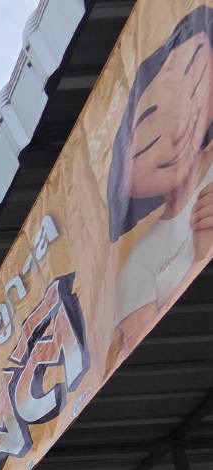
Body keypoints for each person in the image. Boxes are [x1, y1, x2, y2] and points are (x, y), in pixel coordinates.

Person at [107, 7, 213, 348]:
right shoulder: (138, 266)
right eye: (148, 138)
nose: (179, 131)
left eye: (193, 78)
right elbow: (140, 347)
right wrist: (200, 259)